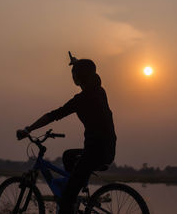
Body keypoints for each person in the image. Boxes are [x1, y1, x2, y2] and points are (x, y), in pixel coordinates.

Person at [16, 52, 117, 214]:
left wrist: (28, 129)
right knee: (68, 156)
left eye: (74, 74)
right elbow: (92, 74)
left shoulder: (81, 100)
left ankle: (71, 197)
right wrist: (78, 63)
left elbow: (53, 115)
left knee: (65, 201)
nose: (72, 76)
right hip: (107, 149)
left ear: (79, 77)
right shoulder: (99, 91)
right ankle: (76, 188)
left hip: (95, 151)